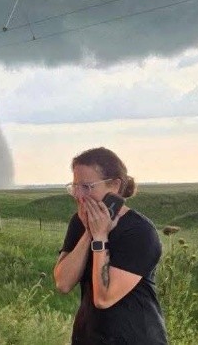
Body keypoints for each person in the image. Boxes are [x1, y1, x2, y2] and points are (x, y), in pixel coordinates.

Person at [53, 147, 167, 344]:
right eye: (75, 187)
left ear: (114, 186)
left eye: (87, 187)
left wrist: (100, 237)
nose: (79, 196)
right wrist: (89, 232)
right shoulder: (79, 222)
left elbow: (104, 298)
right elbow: (63, 283)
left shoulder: (139, 232)